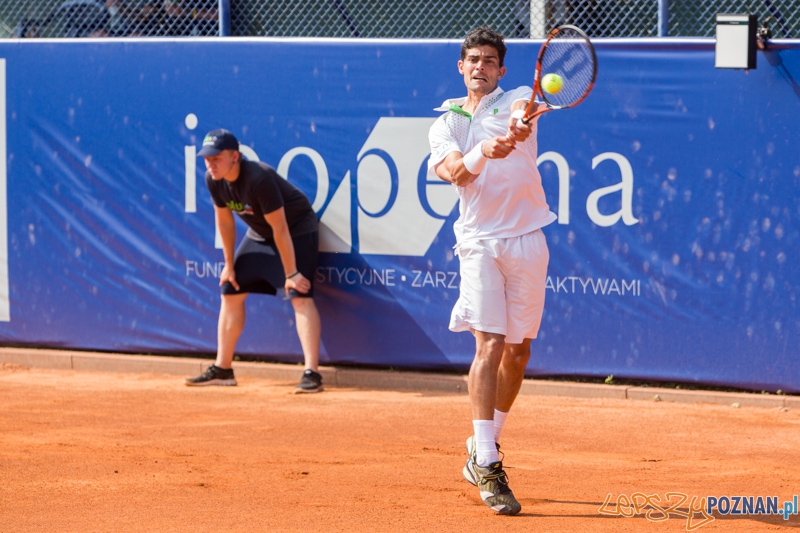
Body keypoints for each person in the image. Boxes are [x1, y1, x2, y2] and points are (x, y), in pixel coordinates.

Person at [427, 26, 556, 515]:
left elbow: (524, 117)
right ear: (461, 67)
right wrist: (486, 150)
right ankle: (487, 460)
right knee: (490, 344)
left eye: (489, 61)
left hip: (528, 237)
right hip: (479, 241)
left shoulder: (521, 97)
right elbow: (455, 173)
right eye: (472, 59)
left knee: (519, 352)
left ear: (501, 70)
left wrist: (517, 131)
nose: (480, 66)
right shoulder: (447, 124)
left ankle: (485, 446)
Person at [186, 129, 325, 394]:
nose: (210, 163)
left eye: (216, 157)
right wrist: (228, 265)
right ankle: (223, 368)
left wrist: (292, 272)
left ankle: (312, 374)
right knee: (231, 289)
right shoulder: (213, 179)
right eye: (207, 158)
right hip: (261, 233)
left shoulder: (258, 178)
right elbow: (225, 222)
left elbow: (281, 228)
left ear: (235, 156)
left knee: (299, 292)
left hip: (296, 229)